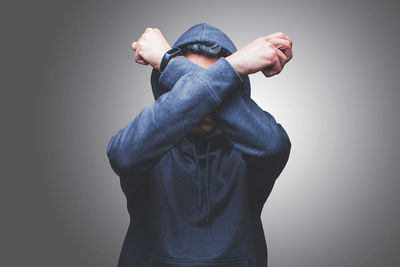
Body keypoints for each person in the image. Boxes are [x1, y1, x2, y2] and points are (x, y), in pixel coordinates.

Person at [106, 23, 293, 267]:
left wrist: (168, 62)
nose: (202, 102)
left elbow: (274, 146)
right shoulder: (150, 140)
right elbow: (122, 155)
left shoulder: (252, 144)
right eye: (190, 88)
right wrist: (234, 66)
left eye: (217, 84)